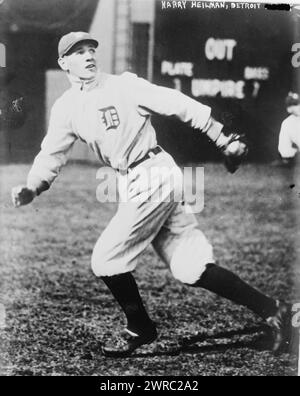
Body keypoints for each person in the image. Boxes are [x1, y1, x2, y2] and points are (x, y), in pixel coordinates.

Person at [11, 32, 291, 358]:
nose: (88, 56)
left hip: (154, 172)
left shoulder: (123, 85)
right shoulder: (66, 108)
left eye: (91, 49)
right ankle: (275, 309)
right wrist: (33, 186)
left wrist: (221, 136)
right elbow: (51, 154)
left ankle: (140, 328)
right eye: (77, 52)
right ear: (63, 62)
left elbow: (177, 103)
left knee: (105, 259)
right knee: (191, 267)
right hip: (134, 179)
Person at [278, 92, 300, 166]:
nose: (299, 106)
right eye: (295, 104)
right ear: (289, 109)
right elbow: (283, 149)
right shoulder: (287, 123)